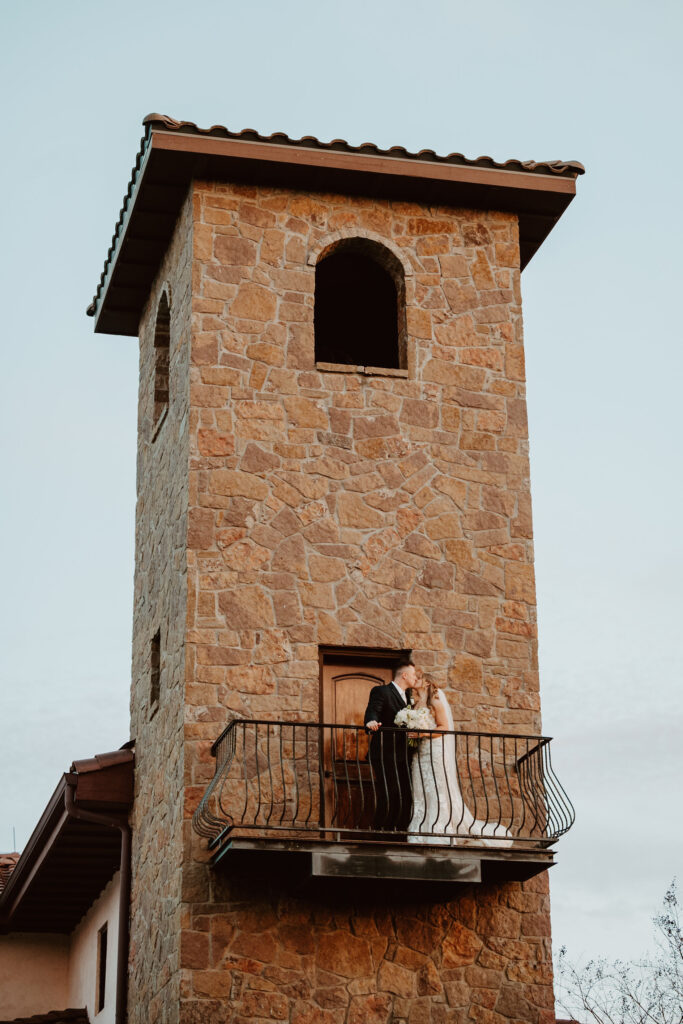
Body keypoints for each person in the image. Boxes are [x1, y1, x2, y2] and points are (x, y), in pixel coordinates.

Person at [406, 671, 512, 847]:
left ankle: (438, 828)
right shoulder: (417, 703)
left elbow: (444, 727)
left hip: (434, 749)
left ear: (426, 683)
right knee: (421, 788)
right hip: (421, 751)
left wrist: (423, 732)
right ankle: (420, 828)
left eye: (419, 679)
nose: (415, 680)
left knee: (436, 787)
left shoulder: (436, 701)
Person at [364, 659, 416, 834]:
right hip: (385, 754)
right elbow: (373, 710)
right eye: (414, 674)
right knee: (389, 793)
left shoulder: (409, 697)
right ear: (404, 675)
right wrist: (370, 721)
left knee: (406, 796)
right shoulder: (382, 691)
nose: (416, 678)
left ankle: (399, 834)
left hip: (403, 756)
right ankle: (381, 834)